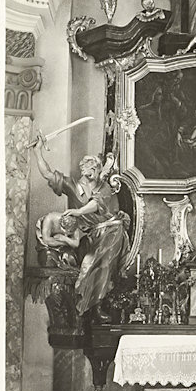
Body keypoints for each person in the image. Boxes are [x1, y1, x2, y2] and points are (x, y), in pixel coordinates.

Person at [33, 136, 131, 323]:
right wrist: (37, 151)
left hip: (111, 231)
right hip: (91, 235)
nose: (93, 171)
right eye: (89, 168)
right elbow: (47, 173)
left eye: (95, 168)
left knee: (103, 262)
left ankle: (97, 306)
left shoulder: (104, 188)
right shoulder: (72, 185)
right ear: (83, 170)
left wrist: (78, 211)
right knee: (88, 262)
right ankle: (88, 304)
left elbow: (96, 204)